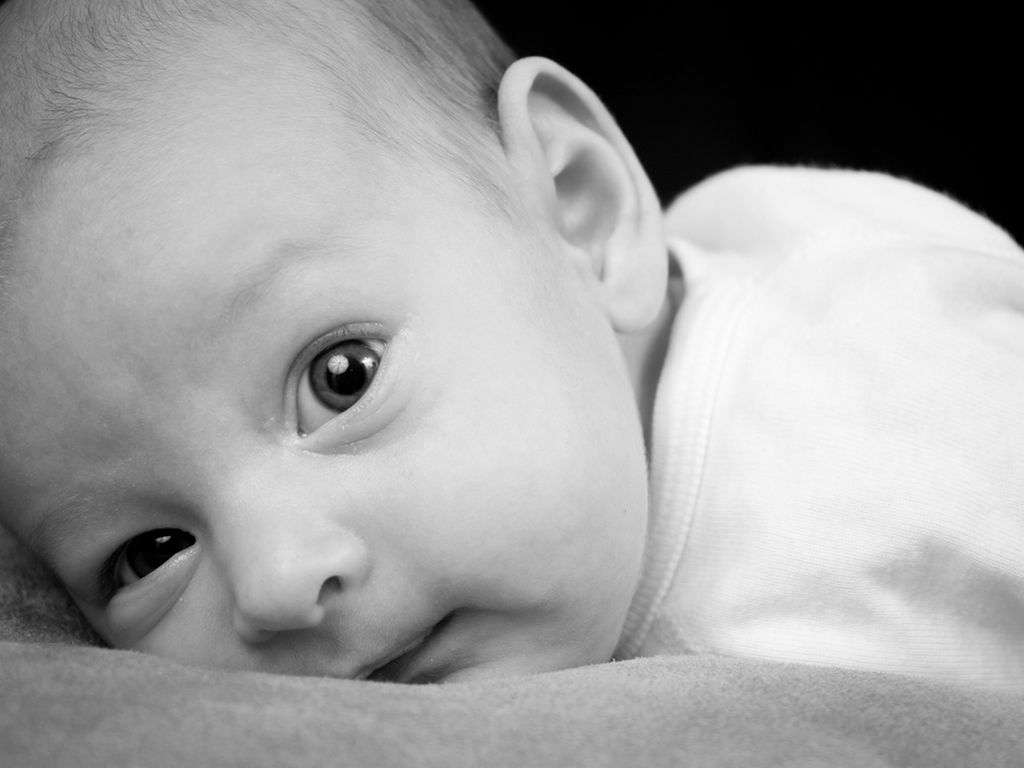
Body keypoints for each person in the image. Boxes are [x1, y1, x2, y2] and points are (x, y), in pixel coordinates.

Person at [0, 0, 1021, 689]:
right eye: (148, 554)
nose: (276, 581)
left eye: (341, 379)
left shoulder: (882, 499)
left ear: (580, 210)